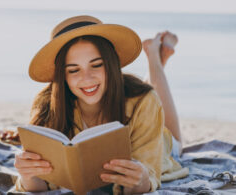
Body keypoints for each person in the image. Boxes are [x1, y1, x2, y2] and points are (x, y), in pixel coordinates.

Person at [13, 15, 188, 194]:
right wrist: (27, 175)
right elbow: (41, 186)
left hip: (158, 141)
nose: (86, 78)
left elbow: (148, 176)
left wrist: (140, 178)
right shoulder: (46, 105)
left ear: (110, 63)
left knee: (176, 143)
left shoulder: (145, 101)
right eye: (73, 70)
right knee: (135, 92)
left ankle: (154, 59)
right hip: (126, 95)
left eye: (96, 65)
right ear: (62, 75)